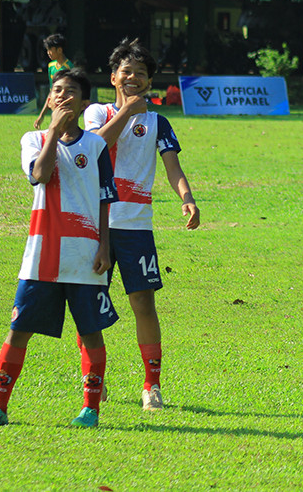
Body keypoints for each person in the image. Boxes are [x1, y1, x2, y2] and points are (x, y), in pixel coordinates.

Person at [0, 68, 119, 429]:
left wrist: (105, 245)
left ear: (84, 103)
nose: (62, 96)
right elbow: (40, 175)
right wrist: (53, 131)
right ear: (49, 99)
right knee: (18, 329)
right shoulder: (33, 138)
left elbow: (105, 199)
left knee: (90, 331)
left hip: (84, 255)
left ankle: (90, 410)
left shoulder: (96, 146)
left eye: (71, 92)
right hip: (41, 255)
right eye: (57, 91)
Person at [84, 38, 200, 411]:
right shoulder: (97, 113)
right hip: (95, 224)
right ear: (113, 77)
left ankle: (152, 385)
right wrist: (127, 111)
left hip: (136, 227)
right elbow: (95, 147)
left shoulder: (157, 122)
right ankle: (94, 379)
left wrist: (187, 198)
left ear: (149, 81)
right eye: (126, 71)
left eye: (140, 73)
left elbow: (173, 167)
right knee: (90, 304)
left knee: (143, 302)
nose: (132, 77)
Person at [34, 34, 72, 130]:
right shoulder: (51, 66)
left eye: (50, 50)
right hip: (54, 109)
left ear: (59, 50)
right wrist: (42, 115)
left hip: (66, 110)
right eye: (47, 50)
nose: (48, 53)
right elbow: (51, 92)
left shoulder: (68, 67)